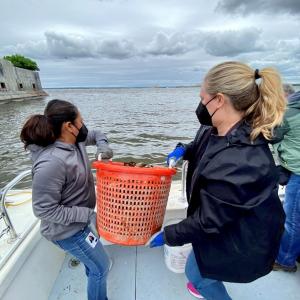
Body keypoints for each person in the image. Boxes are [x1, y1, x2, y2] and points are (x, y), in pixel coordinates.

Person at [149, 61, 286, 300]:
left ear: (220, 99)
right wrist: (183, 150)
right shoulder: (215, 127)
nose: (201, 105)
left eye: (203, 99)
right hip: (224, 224)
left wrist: (168, 235)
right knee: (199, 269)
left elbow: (208, 222)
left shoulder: (243, 161)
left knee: (195, 273)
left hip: (240, 237)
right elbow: (202, 147)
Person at [20, 99, 113, 300]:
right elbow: (44, 210)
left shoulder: (76, 140)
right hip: (67, 232)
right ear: (69, 126)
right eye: (81, 121)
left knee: (95, 264)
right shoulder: (51, 162)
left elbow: (96, 134)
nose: (83, 125)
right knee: (101, 268)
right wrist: (88, 214)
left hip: (81, 223)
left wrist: (103, 146)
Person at [272, 88, 300, 272]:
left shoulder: (288, 113)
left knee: (292, 219)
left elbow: (270, 136)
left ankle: (285, 261)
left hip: (298, 173)